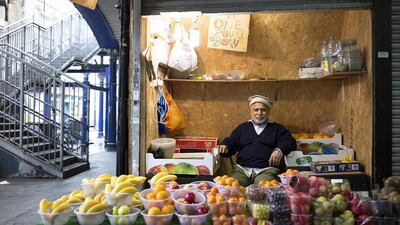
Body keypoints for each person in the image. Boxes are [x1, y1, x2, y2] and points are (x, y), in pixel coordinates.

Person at [218, 95, 296, 186]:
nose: (259, 113)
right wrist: (225, 146)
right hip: (242, 170)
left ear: (268, 111)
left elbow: (290, 141)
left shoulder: (277, 128)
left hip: (266, 171)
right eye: (256, 110)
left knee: (264, 192)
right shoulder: (243, 128)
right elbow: (231, 141)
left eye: (263, 110)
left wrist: (279, 150)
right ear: (251, 111)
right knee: (231, 190)